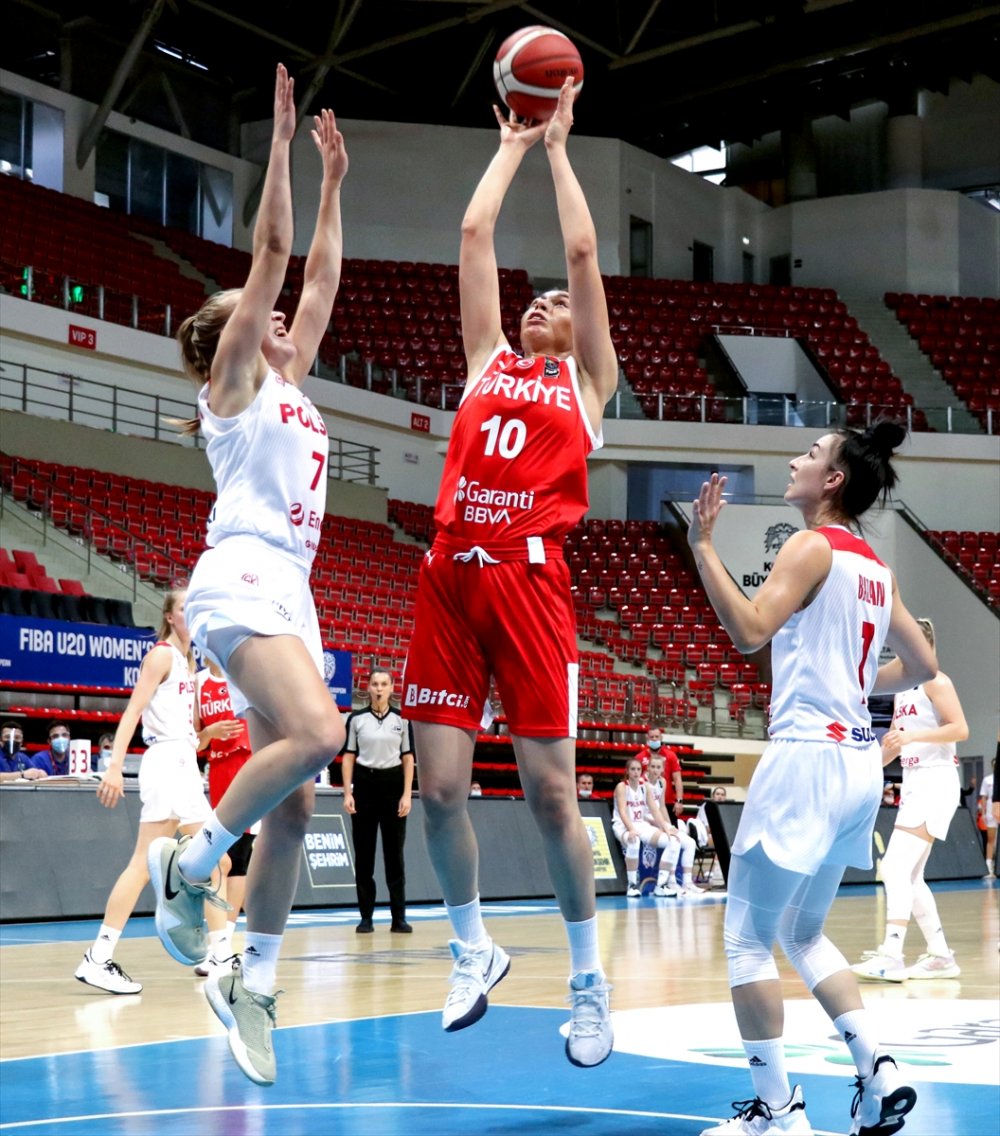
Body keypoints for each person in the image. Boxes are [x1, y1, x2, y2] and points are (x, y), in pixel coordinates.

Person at [400, 78, 619, 1068]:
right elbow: (474, 236)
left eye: (561, 304)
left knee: (550, 794)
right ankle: (470, 945)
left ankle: (586, 981)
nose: (547, 300)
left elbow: (579, 250)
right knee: (440, 789)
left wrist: (563, 148)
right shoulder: (485, 357)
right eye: (539, 301)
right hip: (448, 573)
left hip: (531, 582)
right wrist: (510, 146)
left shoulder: (586, 382)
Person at [144, 65, 349, 1087]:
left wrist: (336, 186)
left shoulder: (291, 377)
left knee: (302, 804)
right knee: (322, 735)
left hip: (293, 587)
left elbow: (315, 284)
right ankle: (187, 869)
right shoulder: (233, 383)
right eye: (256, 314)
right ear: (231, 333)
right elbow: (275, 257)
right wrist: (274, 148)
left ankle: (249, 979)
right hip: (240, 576)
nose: (279, 318)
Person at [687, 422, 937, 1136]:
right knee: (803, 931)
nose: (795, 461)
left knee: (745, 940)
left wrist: (704, 548)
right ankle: (877, 1066)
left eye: (810, 455)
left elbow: (749, 631)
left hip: (806, 757)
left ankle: (776, 1110)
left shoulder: (810, 545)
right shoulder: (877, 567)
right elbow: (921, 667)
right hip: (859, 764)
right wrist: (858, 688)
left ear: (832, 481)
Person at [74, 589, 227, 995]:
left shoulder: (189, 664)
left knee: (219, 861)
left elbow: (190, 738)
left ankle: (218, 952)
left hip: (184, 761)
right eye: (183, 609)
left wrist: (206, 734)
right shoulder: (161, 655)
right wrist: (112, 766)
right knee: (144, 863)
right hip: (167, 764)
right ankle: (98, 957)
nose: (190, 615)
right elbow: (132, 712)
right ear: (170, 617)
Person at [851, 617, 968, 983]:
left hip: (936, 780)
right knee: (911, 877)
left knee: (895, 868)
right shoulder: (904, 689)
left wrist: (913, 740)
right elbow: (899, 743)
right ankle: (940, 955)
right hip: (915, 781)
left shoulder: (937, 680)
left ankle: (891, 954)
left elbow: (960, 728)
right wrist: (873, 763)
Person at [341, 668, 414, 935]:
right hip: (365, 786)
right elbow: (348, 755)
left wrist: (407, 794)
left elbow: (408, 758)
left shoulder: (403, 720)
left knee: (395, 856)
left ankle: (399, 918)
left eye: (384, 684)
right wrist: (348, 792)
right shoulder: (356, 719)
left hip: (393, 786)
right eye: (374, 683)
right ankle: (366, 918)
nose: (379, 688)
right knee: (364, 856)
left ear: (392, 688)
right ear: (368, 688)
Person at [196, 660, 256, 976]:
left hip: (245, 762)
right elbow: (196, 740)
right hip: (217, 769)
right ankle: (219, 944)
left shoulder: (244, 676)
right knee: (219, 854)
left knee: (240, 853)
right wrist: (209, 731)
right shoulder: (198, 683)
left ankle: (225, 942)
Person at [613, 757, 681, 898]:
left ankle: (661, 886)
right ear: (627, 771)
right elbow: (622, 811)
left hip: (641, 824)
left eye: (638, 769)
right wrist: (631, 829)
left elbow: (655, 810)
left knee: (673, 841)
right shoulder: (622, 787)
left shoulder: (645, 787)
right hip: (622, 824)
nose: (636, 772)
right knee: (634, 841)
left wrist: (666, 827)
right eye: (633, 769)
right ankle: (631, 886)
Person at [647, 752, 703, 896]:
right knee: (674, 841)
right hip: (647, 821)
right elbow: (647, 810)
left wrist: (669, 825)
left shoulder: (663, 782)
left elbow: (662, 806)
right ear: (647, 767)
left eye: (658, 767)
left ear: (662, 769)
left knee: (690, 843)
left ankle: (687, 882)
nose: (655, 769)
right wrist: (664, 827)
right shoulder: (644, 783)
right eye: (652, 766)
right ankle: (671, 880)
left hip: (660, 820)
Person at [979, 758, 996, 878]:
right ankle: (989, 867)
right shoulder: (987, 779)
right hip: (991, 810)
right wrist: (983, 813)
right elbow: (984, 797)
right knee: (991, 839)